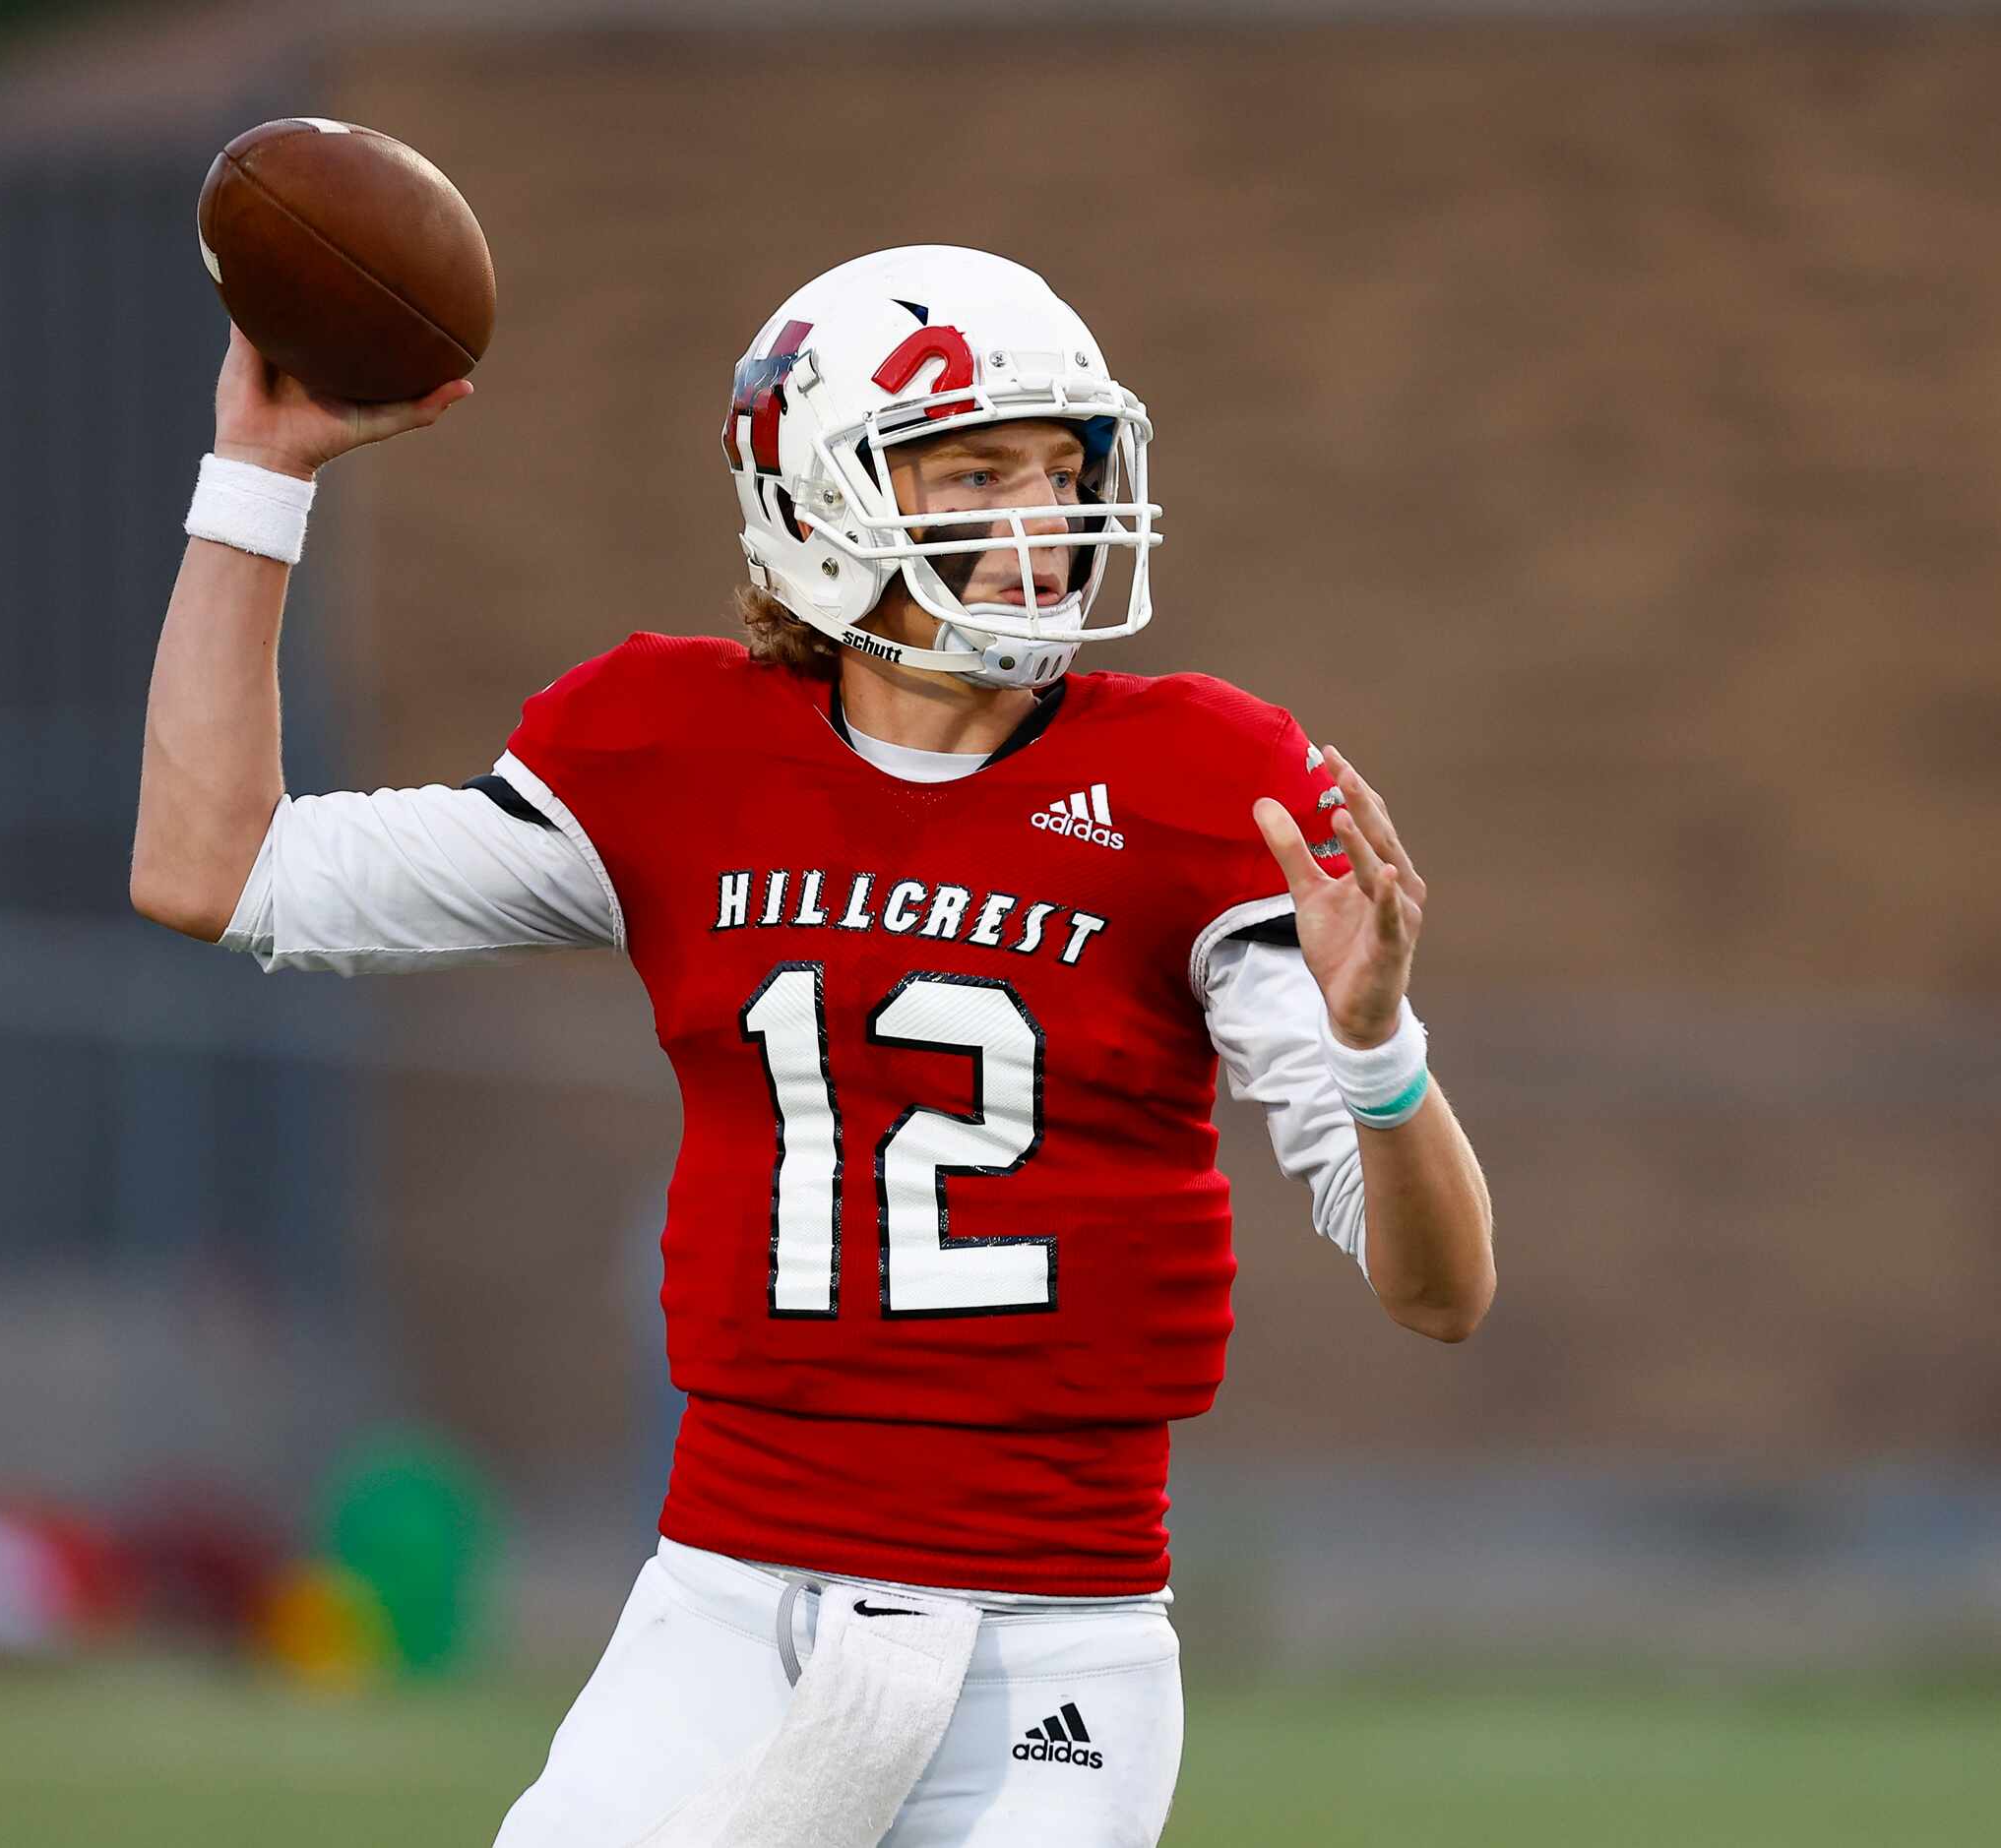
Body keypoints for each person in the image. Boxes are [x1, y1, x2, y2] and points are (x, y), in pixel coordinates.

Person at [132, 246, 1494, 1848]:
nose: (1041, 524)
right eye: (976, 471)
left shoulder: (1203, 787)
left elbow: (1440, 1290)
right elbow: (214, 868)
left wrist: (1376, 1043)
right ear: (816, 494)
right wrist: (257, 479)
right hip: (723, 1611)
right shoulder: (669, 751)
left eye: (1062, 473)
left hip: (1048, 1641)